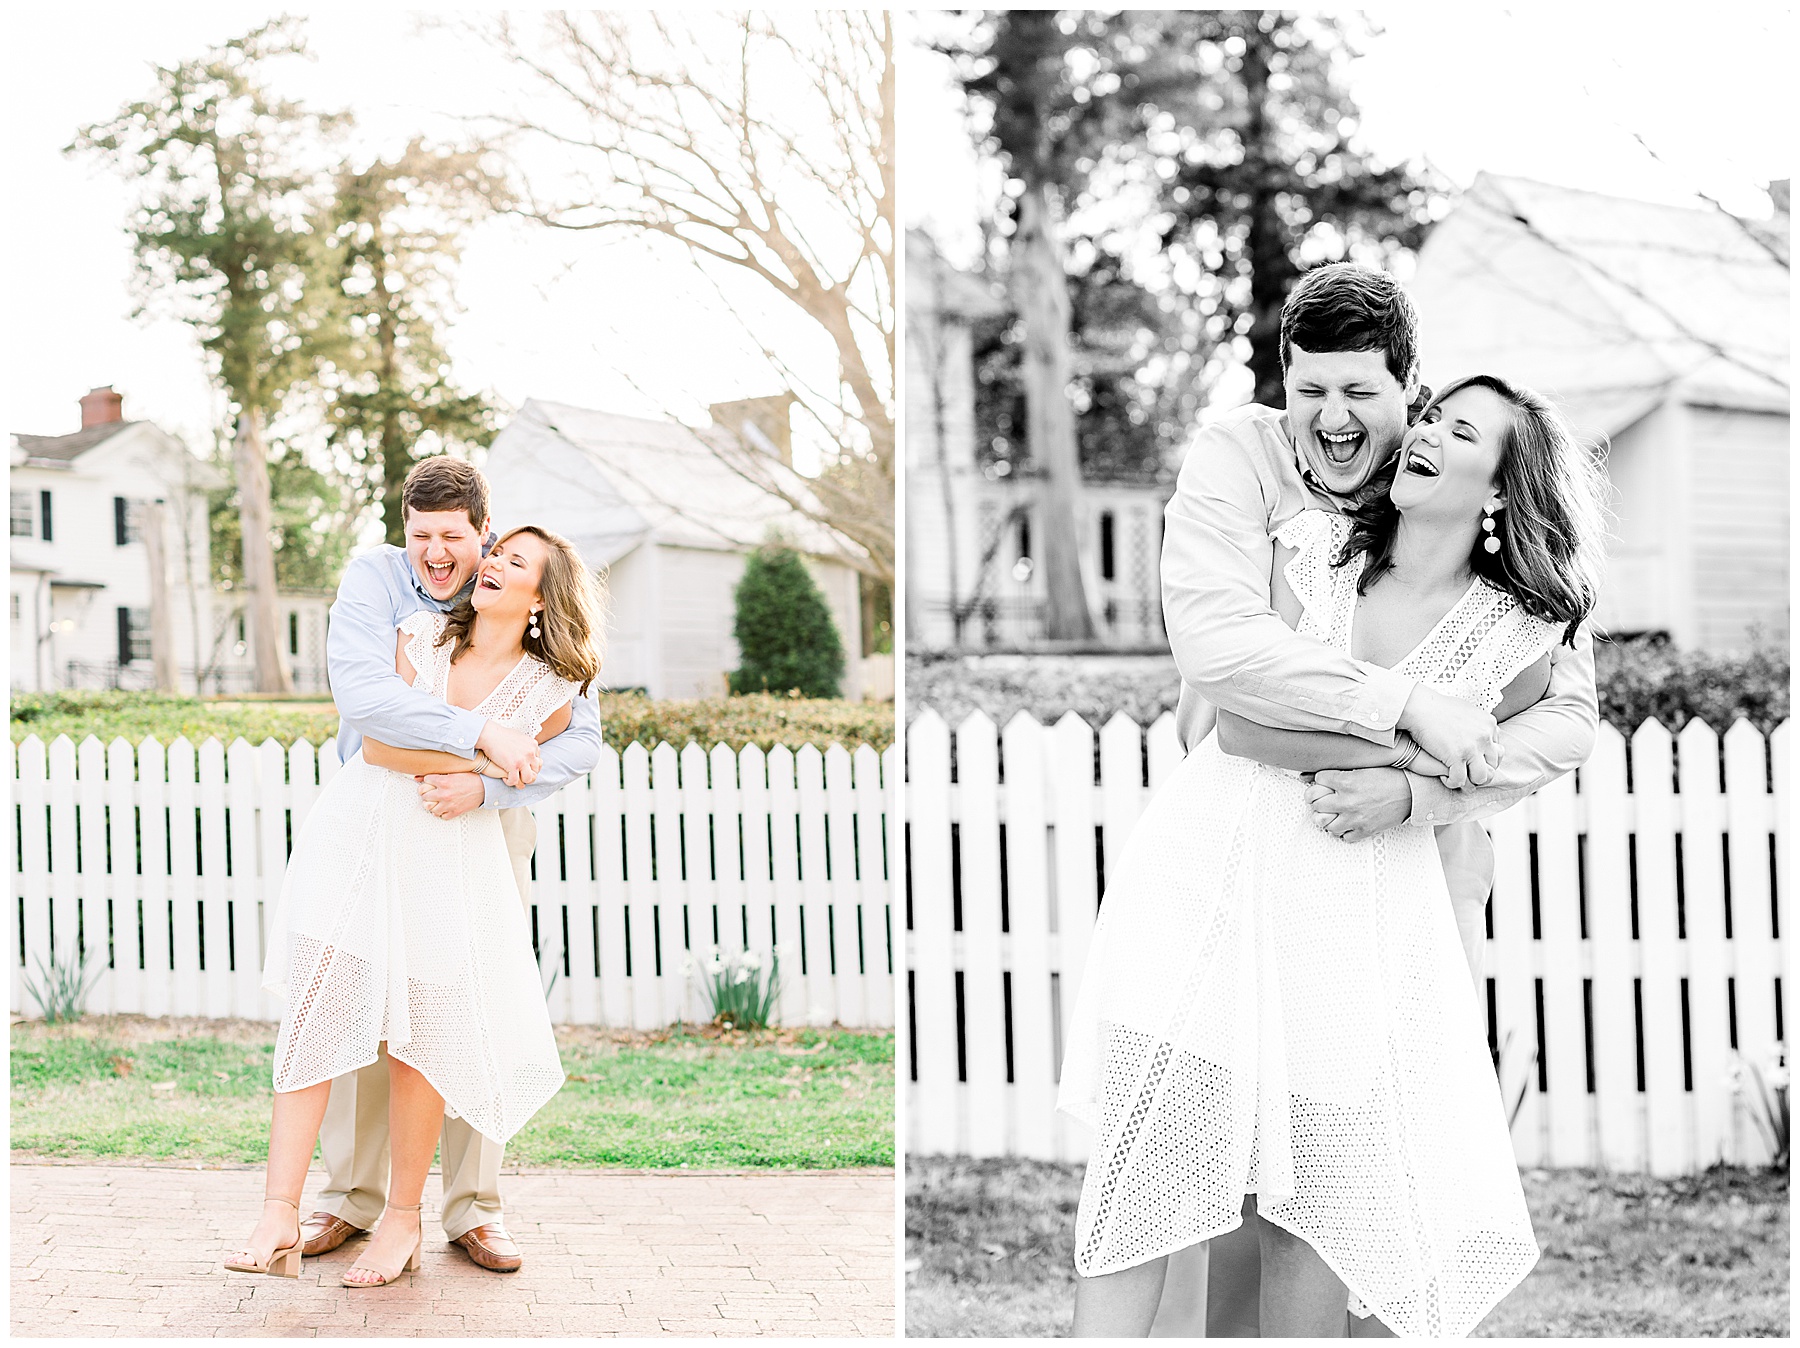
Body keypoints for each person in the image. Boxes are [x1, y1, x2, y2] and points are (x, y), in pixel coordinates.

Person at [1061, 370, 1607, 1336]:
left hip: (1353, 923)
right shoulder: (1311, 554)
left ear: (1498, 491)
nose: (1430, 432)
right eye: (1434, 415)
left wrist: (1409, 794)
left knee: (1307, 1204)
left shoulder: (1520, 636)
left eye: (1463, 431)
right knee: (1149, 1162)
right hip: (1214, 881)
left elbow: (1546, 742)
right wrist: (1424, 737)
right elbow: (1240, 726)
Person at [225, 458, 603, 1280]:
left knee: (458, 1013)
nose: (439, 553)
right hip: (373, 825)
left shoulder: (540, 642)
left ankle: (471, 1210)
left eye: (457, 539)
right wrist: (478, 740)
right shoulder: (387, 592)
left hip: (480, 825)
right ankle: (351, 1200)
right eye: (421, 536)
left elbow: (576, 739)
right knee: (353, 1010)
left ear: (485, 534)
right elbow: (365, 705)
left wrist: (489, 782)